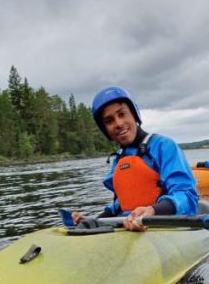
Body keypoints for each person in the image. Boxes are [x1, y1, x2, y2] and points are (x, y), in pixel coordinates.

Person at [73, 86, 198, 232]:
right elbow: (120, 205)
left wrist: (153, 211)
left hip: (165, 227)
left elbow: (187, 197)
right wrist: (93, 221)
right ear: (105, 129)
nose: (118, 124)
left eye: (122, 114)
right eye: (109, 121)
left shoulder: (164, 146)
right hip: (129, 229)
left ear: (134, 114)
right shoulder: (120, 160)